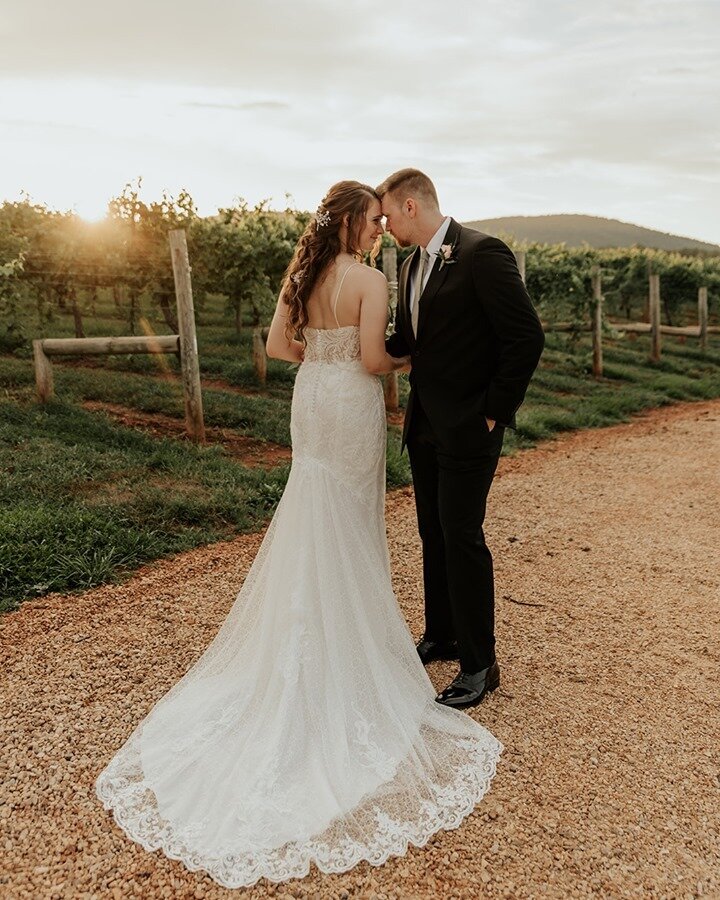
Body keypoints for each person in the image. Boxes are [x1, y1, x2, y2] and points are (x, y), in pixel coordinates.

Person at [95, 180, 502, 890]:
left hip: (312, 399)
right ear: (353, 222)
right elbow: (377, 362)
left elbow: (282, 347)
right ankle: (347, 649)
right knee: (348, 520)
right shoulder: (369, 279)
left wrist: (326, 353)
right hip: (350, 406)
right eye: (373, 222)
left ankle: (304, 631)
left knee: (312, 509)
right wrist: (412, 358)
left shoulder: (305, 274)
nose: (380, 232)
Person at [378, 169, 545, 709]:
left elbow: (525, 336)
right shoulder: (408, 266)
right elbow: (409, 339)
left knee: (462, 534)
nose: (383, 227)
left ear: (410, 205)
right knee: (432, 531)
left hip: (472, 424)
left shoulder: (480, 252)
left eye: (385, 215)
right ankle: (442, 634)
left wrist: (495, 411)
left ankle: (480, 663)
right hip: (425, 421)